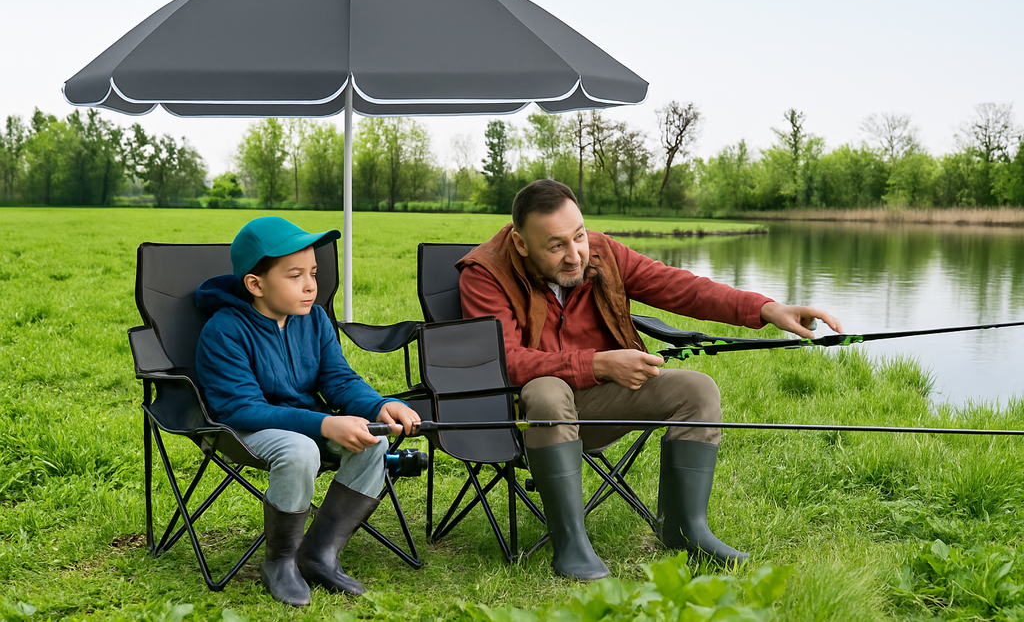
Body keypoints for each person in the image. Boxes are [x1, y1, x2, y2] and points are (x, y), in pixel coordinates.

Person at [457, 180, 841, 580]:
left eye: (579, 236)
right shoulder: (485, 273)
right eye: (556, 246)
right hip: (523, 413)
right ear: (521, 244)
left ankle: (685, 529)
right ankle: (570, 543)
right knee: (548, 390)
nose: (575, 256)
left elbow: (681, 288)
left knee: (697, 390)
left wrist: (764, 308)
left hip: (598, 402)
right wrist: (600, 364)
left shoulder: (603, 254)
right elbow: (505, 362)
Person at [194, 216, 419, 607]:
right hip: (242, 429)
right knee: (301, 451)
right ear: (255, 284)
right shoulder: (224, 330)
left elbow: (339, 381)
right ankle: (280, 561)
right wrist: (325, 423)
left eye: (313, 272)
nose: (311, 284)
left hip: (306, 424)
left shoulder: (314, 320)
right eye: (295, 275)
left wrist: (382, 405)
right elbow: (243, 409)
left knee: (374, 443)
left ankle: (318, 555)